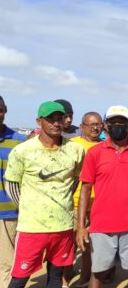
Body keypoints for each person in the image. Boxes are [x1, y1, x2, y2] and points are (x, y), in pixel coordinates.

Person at [5, 101, 84, 288]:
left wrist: (61, 203)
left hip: (62, 225)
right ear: (39, 121)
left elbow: (75, 180)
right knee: (19, 278)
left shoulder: (75, 150)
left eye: (60, 118)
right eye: (50, 119)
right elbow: (12, 185)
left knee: (56, 277)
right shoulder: (22, 151)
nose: (56, 123)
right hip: (32, 228)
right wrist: (28, 207)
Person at [76, 105, 128, 288]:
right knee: (98, 274)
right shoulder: (94, 153)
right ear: (106, 125)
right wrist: (81, 226)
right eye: (113, 122)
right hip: (101, 225)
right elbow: (85, 190)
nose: (117, 125)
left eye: (122, 122)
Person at [66, 112, 104, 287]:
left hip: (98, 204)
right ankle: (64, 279)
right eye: (91, 125)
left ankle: (85, 279)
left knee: (89, 246)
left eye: (98, 124)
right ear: (82, 127)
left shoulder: (105, 146)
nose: (95, 128)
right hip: (73, 203)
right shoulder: (71, 145)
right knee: (69, 244)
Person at [0, 96, 27, 288]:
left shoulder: (20, 142)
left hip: (8, 213)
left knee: (6, 265)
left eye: (0, 109)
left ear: (5, 110)